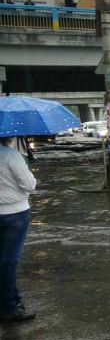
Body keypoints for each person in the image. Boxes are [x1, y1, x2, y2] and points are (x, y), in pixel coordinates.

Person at [0, 136, 37, 323]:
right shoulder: (11, 155)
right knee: (9, 261)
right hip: (14, 214)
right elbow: (30, 185)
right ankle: (8, 307)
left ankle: (12, 299)